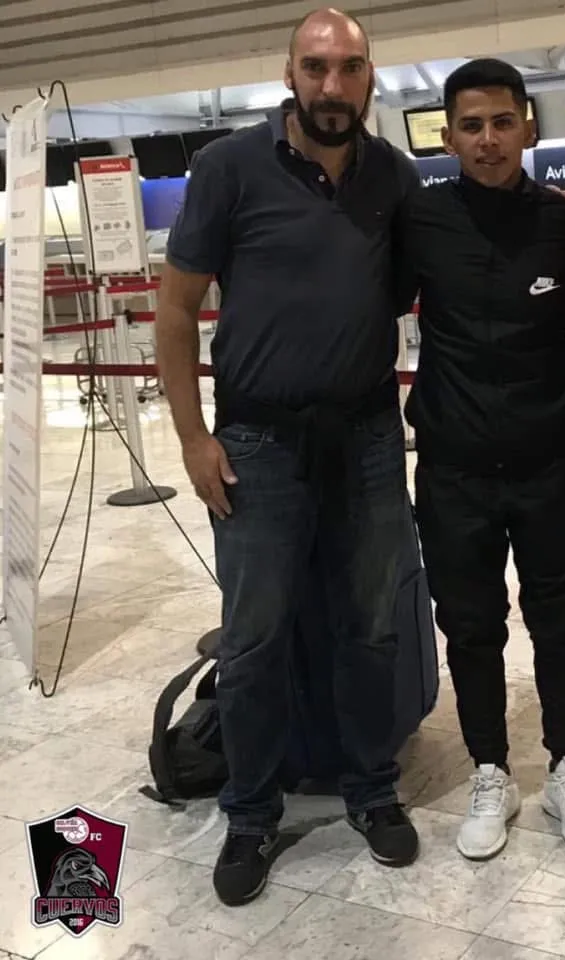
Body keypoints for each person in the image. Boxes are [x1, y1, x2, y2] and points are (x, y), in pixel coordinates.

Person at [154, 8, 421, 906]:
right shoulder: (228, 167)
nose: (332, 86)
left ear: (370, 76)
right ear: (290, 74)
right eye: (316, 67)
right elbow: (176, 310)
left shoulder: (393, 177)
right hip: (258, 446)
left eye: (349, 68)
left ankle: (371, 789)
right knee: (255, 639)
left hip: (368, 439)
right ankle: (251, 813)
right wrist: (194, 438)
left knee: (372, 626)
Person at [398, 58, 565, 862]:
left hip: (547, 462)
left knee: (561, 620)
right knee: (469, 624)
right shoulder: (422, 220)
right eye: (470, 126)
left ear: (527, 126)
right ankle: (491, 770)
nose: (487, 140)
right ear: (448, 137)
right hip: (453, 468)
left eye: (500, 123)